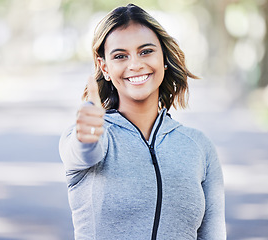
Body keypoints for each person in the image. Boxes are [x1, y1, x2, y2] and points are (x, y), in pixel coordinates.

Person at [59, 4, 226, 240]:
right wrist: (88, 134)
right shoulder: (95, 136)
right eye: (120, 56)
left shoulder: (199, 147)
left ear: (164, 59)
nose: (135, 64)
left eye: (146, 51)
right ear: (104, 67)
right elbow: (83, 151)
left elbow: (213, 234)